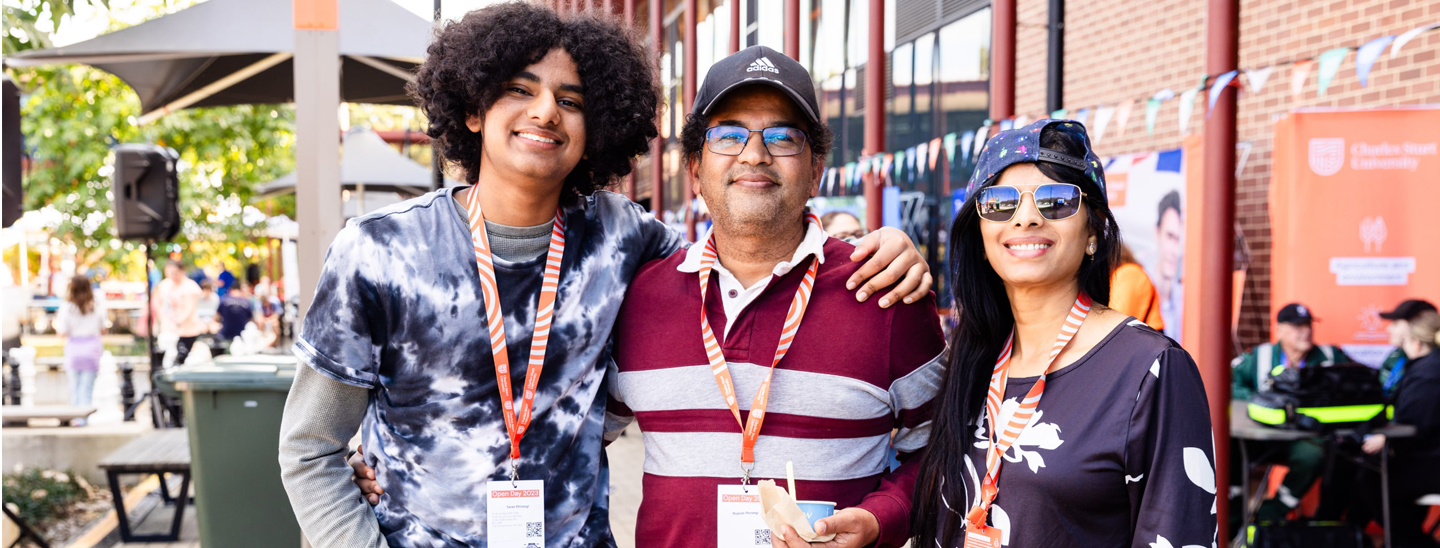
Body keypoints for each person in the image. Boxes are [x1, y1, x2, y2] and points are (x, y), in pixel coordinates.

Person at [276, 5, 930, 547]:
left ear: (597, 129)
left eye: (571, 99)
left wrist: (868, 241)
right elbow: (310, 449)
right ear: (472, 110)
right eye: (519, 90)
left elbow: (748, 242)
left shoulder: (626, 242)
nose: (545, 113)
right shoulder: (378, 251)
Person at [598, 46, 946, 548]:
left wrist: (880, 519)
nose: (755, 154)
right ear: (695, 169)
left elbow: (944, 449)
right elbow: (577, 441)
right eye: (728, 135)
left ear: (816, 171)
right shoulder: (638, 298)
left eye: (783, 136)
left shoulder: (885, 291)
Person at [910, 119, 1217, 548]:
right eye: (1000, 202)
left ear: (1092, 231)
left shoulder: (1150, 371)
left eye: (1056, 201)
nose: (1027, 218)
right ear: (980, 234)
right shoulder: (969, 356)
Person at [1230, 302, 1352, 521]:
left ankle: (1269, 515)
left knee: (1313, 455)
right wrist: (1263, 400)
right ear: (1280, 330)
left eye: (1308, 325)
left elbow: (1357, 385)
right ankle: (1233, 518)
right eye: (1298, 327)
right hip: (1262, 436)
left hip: (1306, 437)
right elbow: (1228, 383)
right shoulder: (1260, 356)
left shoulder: (1331, 356)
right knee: (1228, 447)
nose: (1306, 332)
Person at [1355, 310, 1440, 548]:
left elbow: (1415, 423)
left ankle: (1415, 543)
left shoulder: (1426, 374)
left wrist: (1385, 438)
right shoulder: (1428, 367)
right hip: (1428, 457)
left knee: (1372, 479)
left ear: (1415, 342)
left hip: (1432, 462)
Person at [56, 274, 104, 422]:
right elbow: (103, 328)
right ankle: (82, 421)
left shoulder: (66, 307)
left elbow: (62, 332)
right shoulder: (97, 305)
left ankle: (76, 419)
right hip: (92, 348)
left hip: (74, 349)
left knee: (74, 388)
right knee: (87, 389)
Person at [1378, 299, 1437, 396]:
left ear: (1417, 324)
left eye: (1395, 324)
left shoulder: (1431, 371)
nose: (1388, 329)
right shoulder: (1396, 357)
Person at [153, 260, 203, 367]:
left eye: (175, 273)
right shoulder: (164, 285)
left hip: (186, 331)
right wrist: (161, 318)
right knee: (166, 360)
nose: (172, 276)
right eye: (169, 273)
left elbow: (190, 308)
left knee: (182, 360)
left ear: (182, 271)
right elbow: (158, 302)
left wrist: (178, 322)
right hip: (167, 330)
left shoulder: (190, 286)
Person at [1110, 244, 1164, 331]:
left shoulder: (1128, 273)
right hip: (1141, 336)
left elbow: (1118, 322)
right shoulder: (1125, 272)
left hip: (1148, 337)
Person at [1154, 190, 1184, 340]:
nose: (1174, 250)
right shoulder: (1142, 291)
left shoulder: (1186, 301)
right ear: (1157, 232)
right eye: (1170, 236)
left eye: (1178, 239)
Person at [212, 281, 255, 353]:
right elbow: (251, 320)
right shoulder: (247, 302)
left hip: (225, 334)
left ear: (230, 290)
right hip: (242, 334)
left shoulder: (223, 300)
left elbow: (216, 317)